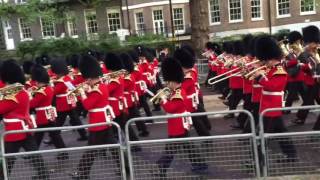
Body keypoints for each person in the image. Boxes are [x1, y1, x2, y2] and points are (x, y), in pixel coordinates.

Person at [155, 58, 208, 178]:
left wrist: (163, 98)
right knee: (188, 147)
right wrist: (165, 97)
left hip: (177, 126)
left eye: (168, 82)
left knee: (170, 150)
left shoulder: (179, 93)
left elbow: (170, 108)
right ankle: (200, 164)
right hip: (179, 125)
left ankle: (161, 169)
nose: (167, 84)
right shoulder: (177, 91)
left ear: (174, 81)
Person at [71, 54, 120, 179]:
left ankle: (82, 173)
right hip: (104, 121)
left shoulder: (97, 89)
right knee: (113, 149)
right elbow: (93, 99)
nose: (86, 81)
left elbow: (87, 105)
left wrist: (82, 93)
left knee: (91, 151)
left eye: (87, 79)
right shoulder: (100, 86)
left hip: (98, 122)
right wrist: (86, 91)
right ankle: (124, 167)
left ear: (91, 77)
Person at [0, 60, 50, 179]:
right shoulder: (19, 90)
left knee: (7, 159)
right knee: (34, 155)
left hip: (14, 131)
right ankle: (44, 176)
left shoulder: (14, 95)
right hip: (24, 129)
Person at [252, 35, 297, 162]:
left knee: (261, 136)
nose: (264, 62)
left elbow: (273, 87)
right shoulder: (270, 69)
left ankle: (257, 162)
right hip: (269, 108)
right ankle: (291, 155)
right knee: (281, 134)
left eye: (265, 59)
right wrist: (256, 74)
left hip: (271, 108)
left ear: (271, 58)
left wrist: (260, 77)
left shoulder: (279, 71)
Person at [29, 64, 68, 160]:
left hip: (43, 117)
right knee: (54, 136)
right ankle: (63, 153)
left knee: (39, 136)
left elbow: (32, 104)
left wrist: (29, 95)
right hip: (49, 115)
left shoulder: (41, 91)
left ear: (38, 81)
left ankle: (33, 154)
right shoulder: (48, 88)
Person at [174, 48, 211, 136]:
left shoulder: (189, 75)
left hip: (189, 102)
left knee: (196, 121)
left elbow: (182, 88)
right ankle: (207, 129)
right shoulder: (189, 71)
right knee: (198, 116)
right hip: (192, 100)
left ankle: (206, 137)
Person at [104, 53, 139, 141]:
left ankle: (131, 143)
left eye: (109, 70)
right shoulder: (117, 77)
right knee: (123, 125)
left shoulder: (115, 80)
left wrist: (101, 83)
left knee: (120, 126)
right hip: (117, 105)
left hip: (115, 107)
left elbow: (106, 91)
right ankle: (132, 143)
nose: (108, 72)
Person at [50, 58, 87, 141]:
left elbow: (54, 92)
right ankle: (83, 134)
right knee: (76, 120)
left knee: (58, 123)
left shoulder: (60, 81)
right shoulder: (67, 78)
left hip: (63, 104)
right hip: (70, 102)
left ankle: (54, 138)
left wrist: (51, 84)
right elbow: (72, 88)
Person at [294, 25, 320, 125]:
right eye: (314, 43)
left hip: (316, 80)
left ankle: (300, 117)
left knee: (309, 100)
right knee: (309, 100)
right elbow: (304, 65)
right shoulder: (305, 53)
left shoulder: (316, 51)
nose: (317, 45)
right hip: (311, 80)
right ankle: (300, 117)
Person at [120, 53, 149, 137]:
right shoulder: (128, 76)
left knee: (126, 119)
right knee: (134, 116)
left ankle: (138, 133)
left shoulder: (128, 78)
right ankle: (143, 130)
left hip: (128, 100)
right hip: (129, 99)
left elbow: (122, 87)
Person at [284, 31, 305, 116]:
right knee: (291, 96)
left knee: (306, 96)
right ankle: (287, 110)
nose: (299, 42)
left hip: (301, 76)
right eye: (298, 40)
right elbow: (286, 63)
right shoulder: (288, 50)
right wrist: (298, 59)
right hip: (293, 77)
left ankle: (301, 114)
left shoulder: (299, 48)